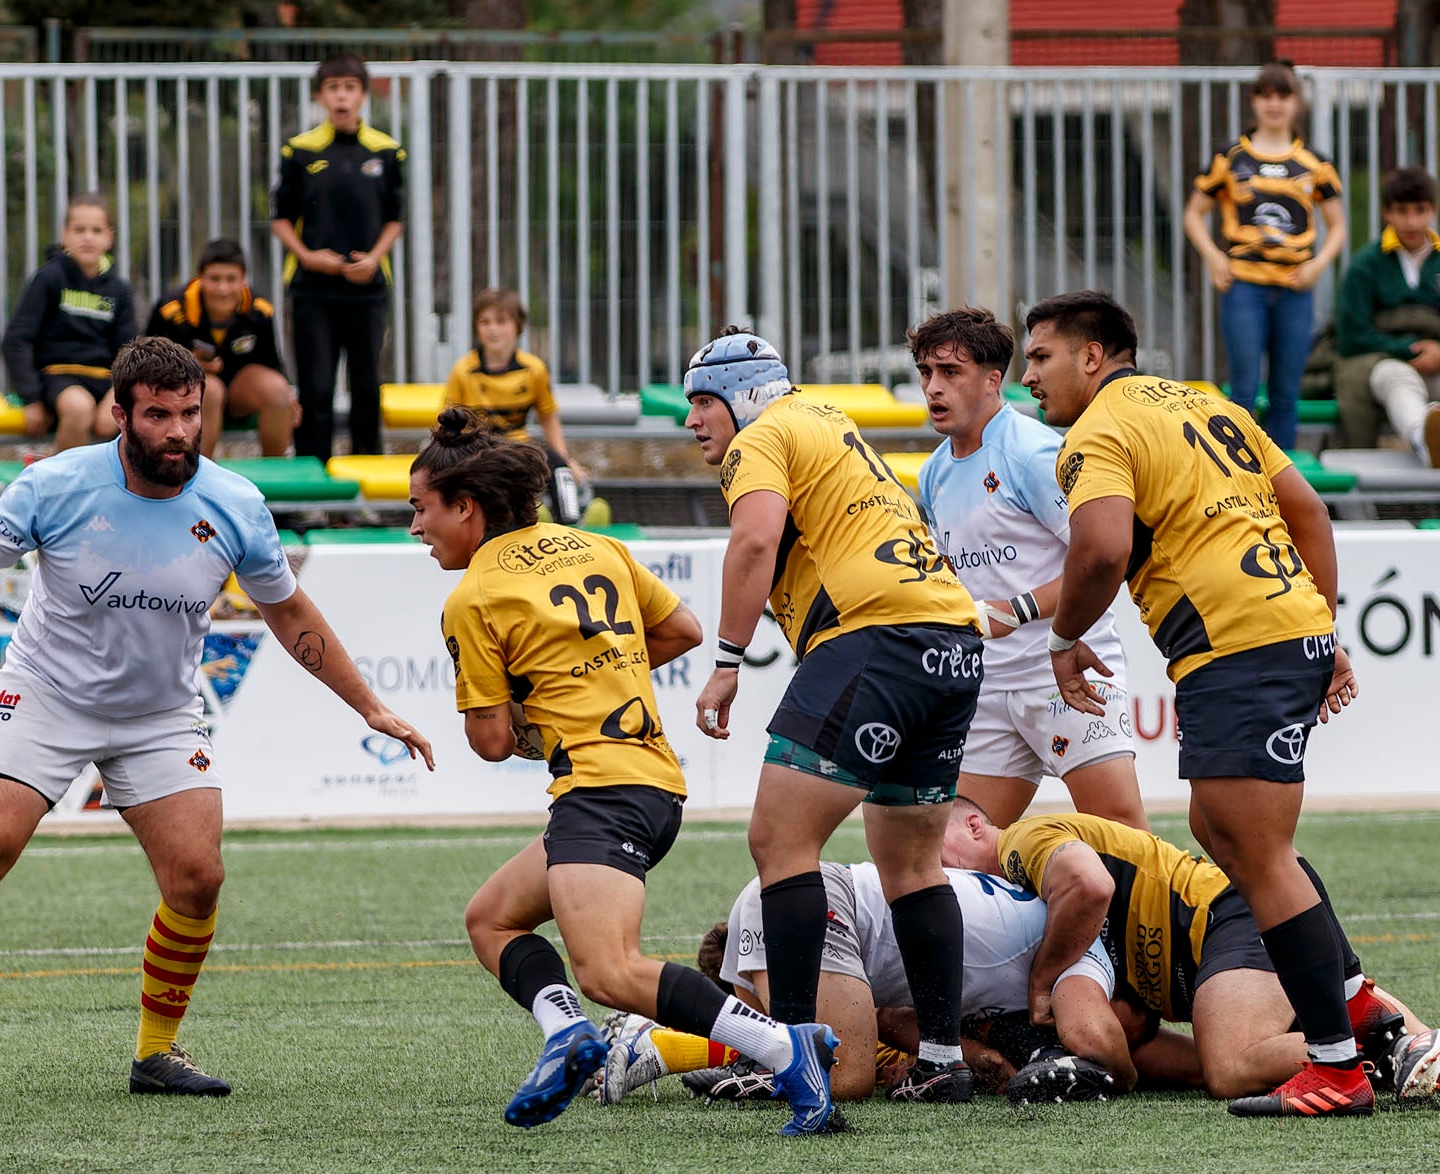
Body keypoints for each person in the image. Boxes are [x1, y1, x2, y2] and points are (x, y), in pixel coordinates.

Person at [0, 336, 433, 1096]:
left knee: (199, 879)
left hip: (161, 714)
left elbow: (290, 610)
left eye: (191, 414)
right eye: (160, 415)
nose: (179, 432)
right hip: (46, 695)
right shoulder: (55, 485)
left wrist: (370, 705)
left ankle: (156, 1053)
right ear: (120, 414)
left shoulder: (235, 504)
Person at [409, 405, 838, 1136]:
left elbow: (486, 739)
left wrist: (528, 716)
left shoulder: (473, 596)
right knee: (491, 919)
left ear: (465, 507)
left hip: (602, 791)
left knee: (610, 971)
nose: (414, 527)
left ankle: (784, 1049)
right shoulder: (593, 545)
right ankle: (566, 1035)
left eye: (420, 510)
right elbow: (682, 631)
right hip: (650, 780)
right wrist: (594, 675)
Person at [1023, 289, 1371, 1117]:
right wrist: (1320, 628)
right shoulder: (1205, 403)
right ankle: (1358, 1012)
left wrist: (1064, 638)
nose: (1027, 376)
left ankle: (1340, 1069)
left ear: (1094, 356)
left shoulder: (1098, 431)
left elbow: (1101, 550)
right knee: (1223, 836)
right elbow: (1308, 512)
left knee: (1255, 851)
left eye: (1040, 357)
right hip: (1266, 636)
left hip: (1240, 647)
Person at [685, 327, 984, 1103]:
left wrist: (725, 661)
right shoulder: (829, 422)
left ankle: (790, 1058)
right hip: (951, 645)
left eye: (702, 401)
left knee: (780, 841)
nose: (691, 421)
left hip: (875, 639)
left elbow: (752, 543)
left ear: (745, 397)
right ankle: (942, 1061)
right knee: (913, 864)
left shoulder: (765, 436)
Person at [941, 801, 1437, 1104]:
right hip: (1213, 946)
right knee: (1213, 1057)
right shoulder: (1021, 903)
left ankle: (1385, 1052)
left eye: (938, 853)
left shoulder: (1020, 843)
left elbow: (1087, 884)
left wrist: (1041, 981)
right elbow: (1130, 1029)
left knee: (1231, 1067)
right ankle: (1417, 1043)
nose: (941, 873)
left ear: (975, 825)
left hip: (1220, 918)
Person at [599, 860, 1125, 1106]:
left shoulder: (1041, 929)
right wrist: (1125, 1075)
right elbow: (1100, 1041)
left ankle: (659, 1038)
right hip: (822, 899)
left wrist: (971, 1057)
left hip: (805, 896)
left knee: (786, 1050)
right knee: (843, 1077)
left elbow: (894, 1018)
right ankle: (654, 1037)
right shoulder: (1086, 957)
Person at [911, 307, 1145, 831]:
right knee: (958, 845)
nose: (934, 388)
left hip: (1064, 672)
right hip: (989, 686)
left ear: (994, 380)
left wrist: (1013, 611)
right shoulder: (932, 474)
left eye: (951, 372)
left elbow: (1099, 562)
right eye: (927, 373)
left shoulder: (1036, 454)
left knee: (1124, 838)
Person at [1183, 59, 1345, 451]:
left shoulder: (1315, 163)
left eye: (1283, 95)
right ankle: (1243, 486)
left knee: (1286, 395)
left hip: (1295, 289)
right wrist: (1213, 257)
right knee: (1242, 391)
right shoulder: (1232, 157)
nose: (1274, 104)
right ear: (1254, 101)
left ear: (1296, 102)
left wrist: (1317, 266)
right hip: (1244, 289)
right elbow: (1193, 214)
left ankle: (1284, 493)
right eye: (1266, 95)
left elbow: (1338, 226)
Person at [270, 53, 403, 463]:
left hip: (367, 291)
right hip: (313, 291)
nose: (341, 97)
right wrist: (309, 257)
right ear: (320, 96)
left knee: (366, 388)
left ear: (363, 95)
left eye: (349, 88)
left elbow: (395, 220)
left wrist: (373, 259)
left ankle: (366, 495)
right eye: (333, 88)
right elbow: (280, 219)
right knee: (316, 389)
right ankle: (315, 487)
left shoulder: (387, 151)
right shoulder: (299, 151)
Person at [442, 287, 608, 528]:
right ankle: (527, 519)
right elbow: (448, 424)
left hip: (519, 447)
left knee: (554, 463)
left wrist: (566, 459)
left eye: (501, 321)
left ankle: (572, 523)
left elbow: (548, 418)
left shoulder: (534, 369)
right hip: (479, 450)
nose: (493, 329)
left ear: (518, 326)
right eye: (485, 322)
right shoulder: (463, 371)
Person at [2, 192, 137, 452]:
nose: (88, 237)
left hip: (106, 380)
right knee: (78, 409)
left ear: (109, 237)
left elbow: (128, 351)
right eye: (79, 229)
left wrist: (118, 393)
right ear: (65, 235)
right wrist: (31, 399)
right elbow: (16, 340)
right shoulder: (48, 279)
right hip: (59, 378)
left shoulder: (119, 289)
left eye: (96, 230)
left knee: (125, 416)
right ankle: (62, 488)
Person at [146, 238, 299, 458]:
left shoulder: (260, 310)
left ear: (244, 279)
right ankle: (196, 475)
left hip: (240, 394)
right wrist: (189, 364)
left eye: (231, 279)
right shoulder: (171, 309)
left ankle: (274, 474)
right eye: (214, 279)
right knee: (211, 389)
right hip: (189, 397)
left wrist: (289, 398)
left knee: (278, 389)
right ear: (200, 278)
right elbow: (149, 362)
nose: (223, 288)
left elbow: (272, 363)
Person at [1333, 166, 1440, 466]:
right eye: (1401, 211)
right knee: (1397, 379)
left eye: (1420, 210)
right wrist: (1408, 350)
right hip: (1384, 362)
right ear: (1386, 213)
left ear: (1432, 210)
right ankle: (1425, 440)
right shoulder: (1366, 264)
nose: (1412, 221)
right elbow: (1352, 335)